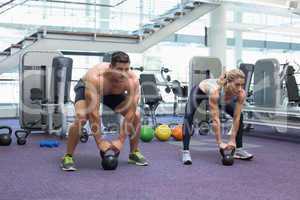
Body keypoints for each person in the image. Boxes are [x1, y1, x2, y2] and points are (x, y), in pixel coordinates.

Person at [61, 51, 148, 171]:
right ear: (111, 67)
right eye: (119, 69)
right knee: (82, 117)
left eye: (126, 69)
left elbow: (131, 112)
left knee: (137, 115)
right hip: (89, 87)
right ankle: (68, 156)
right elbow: (94, 113)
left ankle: (134, 153)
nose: (123, 73)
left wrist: (120, 140)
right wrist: (100, 141)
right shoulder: (95, 78)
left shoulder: (132, 81)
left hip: (113, 93)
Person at [182, 69, 254, 165]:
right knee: (188, 116)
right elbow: (216, 120)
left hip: (222, 97)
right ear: (228, 83)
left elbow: (236, 117)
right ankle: (185, 152)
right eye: (237, 85)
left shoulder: (241, 93)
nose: (240, 88)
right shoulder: (215, 91)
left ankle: (238, 150)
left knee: (239, 116)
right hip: (200, 90)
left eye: (242, 85)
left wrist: (232, 140)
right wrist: (220, 143)